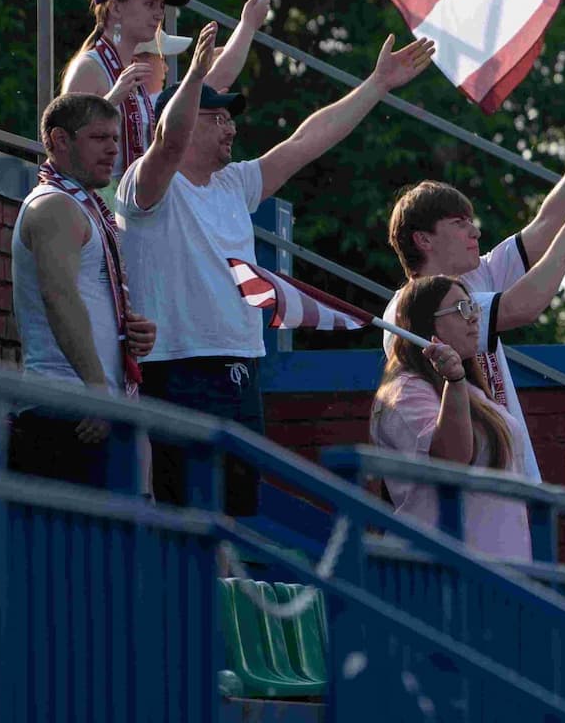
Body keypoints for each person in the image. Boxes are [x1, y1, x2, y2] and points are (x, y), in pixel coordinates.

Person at [116, 30, 436, 512]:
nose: (231, 128)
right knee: (184, 515)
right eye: (217, 117)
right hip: (178, 368)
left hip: (242, 365)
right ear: (187, 121)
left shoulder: (234, 183)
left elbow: (305, 142)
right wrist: (197, 74)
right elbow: (167, 140)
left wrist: (377, 84)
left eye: (230, 118)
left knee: (237, 512)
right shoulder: (148, 184)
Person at [379, 106, 565, 481]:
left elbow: (544, 225)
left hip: (508, 476)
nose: (475, 232)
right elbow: (522, 307)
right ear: (423, 239)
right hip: (473, 486)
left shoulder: (474, 278)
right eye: (460, 224)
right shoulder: (410, 307)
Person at [9, 81, 187, 487]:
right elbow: (59, 297)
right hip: (70, 408)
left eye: (113, 137)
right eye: (97, 138)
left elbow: (83, 296)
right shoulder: (53, 206)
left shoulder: (83, 206)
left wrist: (128, 329)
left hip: (95, 407)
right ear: (59, 140)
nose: (113, 149)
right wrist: (94, 388)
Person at [371, 275, 533, 559]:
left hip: (496, 572)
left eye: (474, 308)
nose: (473, 319)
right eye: (461, 309)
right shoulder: (405, 391)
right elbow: (451, 460)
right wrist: (454, 381)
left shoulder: (473, 392)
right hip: (438, 572)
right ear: (425, 324)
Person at [59, 0, 270, 178]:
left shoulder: (133, 80)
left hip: (129, 206)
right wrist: (111, 100)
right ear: (115, 7)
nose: (160, 14)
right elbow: (63, 146)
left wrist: (248, 25)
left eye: (161, 5)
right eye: (149, 4)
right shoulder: (89, 67)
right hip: (95, 205)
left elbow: (216, 79)